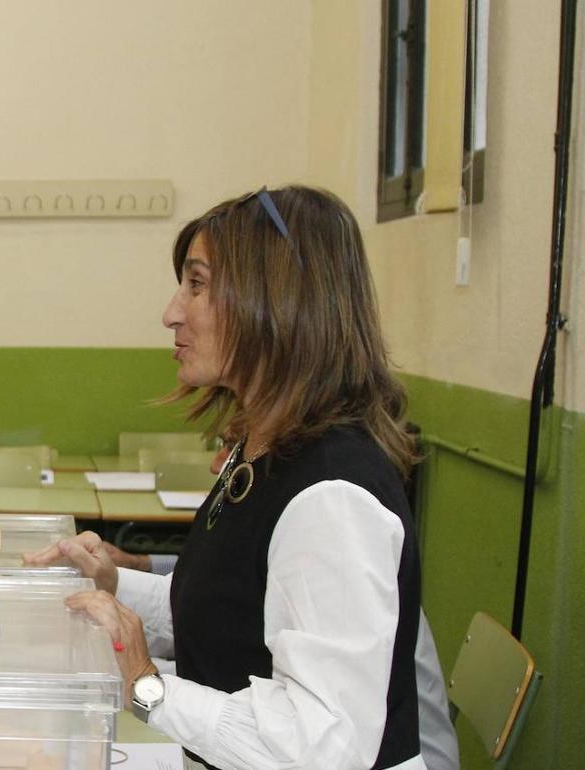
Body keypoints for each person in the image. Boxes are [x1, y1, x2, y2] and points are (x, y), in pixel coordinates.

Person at [28, 186, 441, 770]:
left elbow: (322, 748)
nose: (171, 312)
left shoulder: (331, 496)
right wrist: (111, 583)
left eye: (196, 285)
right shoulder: (263, 454)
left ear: (275, 302)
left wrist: (147, 686)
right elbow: (230, 615)